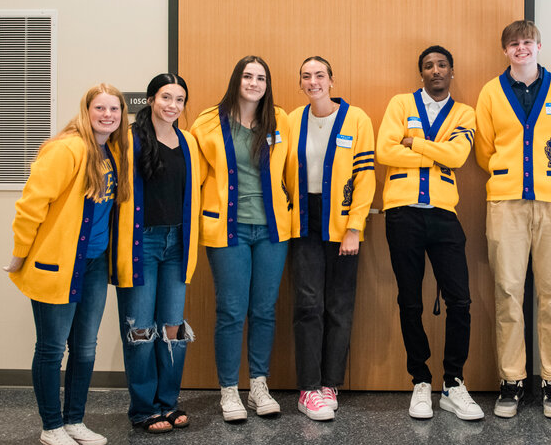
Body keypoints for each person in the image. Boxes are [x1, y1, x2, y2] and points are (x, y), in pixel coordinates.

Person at [5, 84, 131, 445]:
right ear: (86, 110)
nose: (108, 115)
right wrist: (19, 253)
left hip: (92, 264)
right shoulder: (66, 148)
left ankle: (75, 420)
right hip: (57, 264)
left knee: (85, 348)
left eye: (115, 109)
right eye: (100, 108)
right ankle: (52, 426)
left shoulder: (114, 151)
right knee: (50, 348)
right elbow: (31, 206)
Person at [474, 20, 551, 419]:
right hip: (505, 202)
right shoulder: (490, 92)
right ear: (506, 51)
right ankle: (512, 381)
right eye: (513, 44)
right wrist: (510, 176)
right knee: (507, 293)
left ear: (539, 46)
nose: (521, 49)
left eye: (527, 42)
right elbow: (485, 150)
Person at [375, 45, 483, 421]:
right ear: (421, 73)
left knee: (461, 301)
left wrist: (414, 142)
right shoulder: (401, 104)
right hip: (402, 214)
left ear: (452, 71)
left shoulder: (465, 112)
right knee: (410, 300)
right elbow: (384, 151)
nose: (435, 70)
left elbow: (458, 158)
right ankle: (420, 380)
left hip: (443, 214)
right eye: (428, 66)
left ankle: (453, 383)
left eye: (441, 65)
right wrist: (435, 151)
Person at [191, 56, 293, 422]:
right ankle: (229, 390)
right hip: (227, 229)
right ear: (236, 80)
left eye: (261, 77)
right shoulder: (206, 121)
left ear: (268, 84)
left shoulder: (280, 120)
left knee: (264, 310)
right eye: (247, 76)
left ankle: (259, 386)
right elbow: (196, 178)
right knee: (231, 311)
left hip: (272, 230)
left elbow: (291, 171)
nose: (253, 82)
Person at [287, 56, 375, 421]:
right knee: (308, 306)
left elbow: (366, 177)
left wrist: (355, 227)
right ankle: (308, 388)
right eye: (306, 76)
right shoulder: (291, 120)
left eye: (319, 75)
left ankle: (330, 384)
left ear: (332, 81)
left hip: (342, 225)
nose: (313, 82)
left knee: (339, 306)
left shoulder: (357, 119)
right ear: (301, 83)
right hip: (303, 221)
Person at [112, 73, 200, 432]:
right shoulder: (130, 140)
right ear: (150, 100)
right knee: (140, 330)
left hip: (178, 243)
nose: (172, 106)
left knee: (172, 329)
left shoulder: (189, 141)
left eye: (179, 100)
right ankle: (144, 408)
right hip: (141, 244)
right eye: (166, 97)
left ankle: (168, 401)